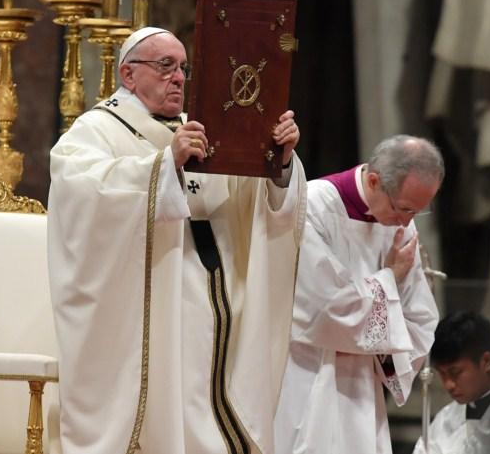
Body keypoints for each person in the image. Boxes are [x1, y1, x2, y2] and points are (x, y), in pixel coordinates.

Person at [48, 26, 306, 454]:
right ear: (128, 75)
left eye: (184, 68)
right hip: (151, 290)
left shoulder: (205, 127)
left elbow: (248, 198)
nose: (179, 78)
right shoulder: (96, 128)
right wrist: (165, 164)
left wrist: (277, 162)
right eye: (165, 66)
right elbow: (82, 194)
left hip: (218, 282)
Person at [274, 135, 443, 454]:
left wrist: (381, 344)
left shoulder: (401, 224)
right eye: (403, 209)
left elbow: (419, 317)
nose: (406, 223)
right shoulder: (314, 205)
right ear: (375, 181)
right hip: (310, 375)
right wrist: (389, 279)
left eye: (417, 213)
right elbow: (326, 309)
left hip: (363, 388)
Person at [413, 310, 490, 454]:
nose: (448, 385)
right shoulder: (446, 416)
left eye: (455, 373)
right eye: (442, 374)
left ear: (486, 361)